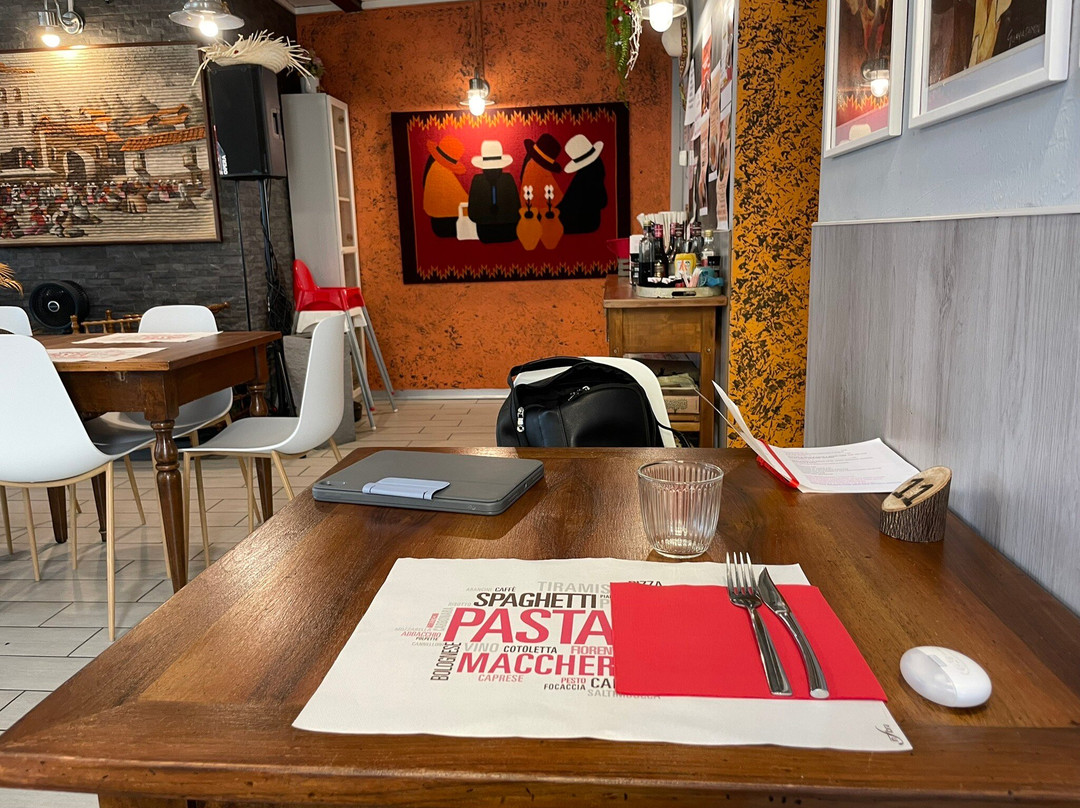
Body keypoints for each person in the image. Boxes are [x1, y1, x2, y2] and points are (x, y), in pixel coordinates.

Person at [467, 140, 519, 244]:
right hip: (488, 231)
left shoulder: (506, 180)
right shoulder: (479, 181)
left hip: (506, 230)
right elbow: (473, 211)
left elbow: (515, 208)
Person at [558, 134, 607, 236]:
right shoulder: (595, 169)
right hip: (587, 222)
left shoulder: (587, 175)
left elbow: (601, 201)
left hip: (585, 224)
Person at [422, 135, 469, 238]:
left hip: (439, 221)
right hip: (446, 223)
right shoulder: (441, 171)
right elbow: (460, 199)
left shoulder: (434, 166)